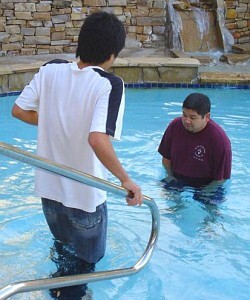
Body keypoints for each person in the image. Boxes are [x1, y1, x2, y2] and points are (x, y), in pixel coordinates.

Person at [12, 11, 143, 299]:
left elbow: (19, 110)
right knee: (84, 267)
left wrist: (54, 121)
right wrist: (126, 180)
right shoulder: (109, 84)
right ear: (112, 54)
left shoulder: (50, 70)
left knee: (63, 254)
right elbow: (97, 139)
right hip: (85, 197)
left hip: (49, 190)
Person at [158, 92, 232, 190]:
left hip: (207, 183)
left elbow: (221, 178)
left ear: (207, 117)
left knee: (209, 204)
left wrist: (206, 192)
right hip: (176, 178)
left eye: (193, 117)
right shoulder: (174, 126)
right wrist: (170, 176)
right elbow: (166, 159)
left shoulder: (219, 140)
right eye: (184, 115)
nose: (187, 121)